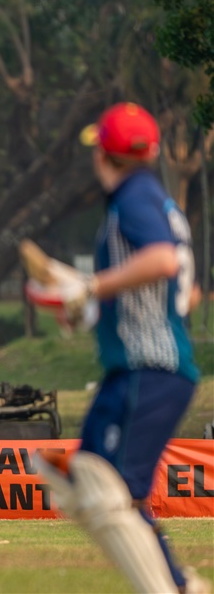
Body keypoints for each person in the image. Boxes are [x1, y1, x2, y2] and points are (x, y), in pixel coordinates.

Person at [34, 102, 208, 594]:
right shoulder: (157, 200)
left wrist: (91, 288)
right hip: (143, 367)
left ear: (103, 155)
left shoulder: (133, 198)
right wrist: (87, 306)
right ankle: (182, 585)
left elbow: (160, 262)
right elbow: (183, 294)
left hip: (148, 369)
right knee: (82, 484)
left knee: (100, 487)